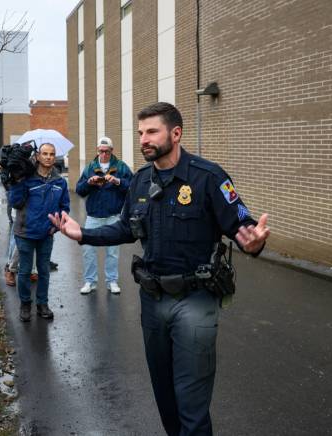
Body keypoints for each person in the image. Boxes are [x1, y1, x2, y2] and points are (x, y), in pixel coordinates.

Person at [50, 102, 270, 436]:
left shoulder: (208, 177)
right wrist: (83, 234)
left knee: (191, 400)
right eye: (140, 133)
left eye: (151, 131)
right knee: (165, 396)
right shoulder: (139, 182)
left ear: (175, 133)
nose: (143, 139)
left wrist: (253, 241)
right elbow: (124, 228)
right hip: (152, 302)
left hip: (195, 301)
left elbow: (241, 221)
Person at [8, 142, 69, 322]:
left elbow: (65, 208)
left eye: (52, 154)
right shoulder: (26, 178)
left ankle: (42, 303)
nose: (48, 157)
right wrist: (17, 181)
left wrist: (56, 226)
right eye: (44, 153)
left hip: (46, 234)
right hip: (25, 233)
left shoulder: (60, 182)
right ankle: (25, 304)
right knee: (25, 271)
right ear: (38, 156)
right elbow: (16, 203)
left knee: (44, 271)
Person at [75, 136, 132, 295]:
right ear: (97, 150)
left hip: (113, 216)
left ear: (112, 151)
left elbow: (133, 186)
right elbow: (79, 190)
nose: (104, 154)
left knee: (112, 252)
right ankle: (90, 282)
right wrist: (89, 183)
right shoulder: (90, 168)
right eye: (101, 151)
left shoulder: (121, 167)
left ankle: (112, 281)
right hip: (93, 216)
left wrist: (117, 181)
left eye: (107, 151)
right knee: (88, 250)